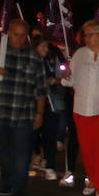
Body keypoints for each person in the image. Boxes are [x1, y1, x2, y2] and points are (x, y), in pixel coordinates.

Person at [0, 19, 47, 196]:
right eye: (16, 34)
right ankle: (7, 182)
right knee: (5, 151)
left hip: (24, 113)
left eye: (23, 34)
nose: (19, 38)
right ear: (9, 34)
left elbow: (40, 89)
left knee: (22, 151)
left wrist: (39, 114)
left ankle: (20, 186)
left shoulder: (33, 57)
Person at [64, 20, 99, 196]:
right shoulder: (79, 54)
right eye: (85, 34)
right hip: (81, 108)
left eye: (90, 34)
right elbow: (70, 80)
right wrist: (61, 77)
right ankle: (92, 180)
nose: (86, 38)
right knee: (86, 149)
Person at [32, 35, 69, 181]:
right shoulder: (29, 62)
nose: (45, 50)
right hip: (32, 103)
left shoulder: (50, 61)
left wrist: (53, 80)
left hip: (50, 101)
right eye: (42, 46)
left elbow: (62, 78)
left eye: (46, 47)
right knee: (33, 134)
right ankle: (38, 156)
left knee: (50, 135)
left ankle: (50, 166)